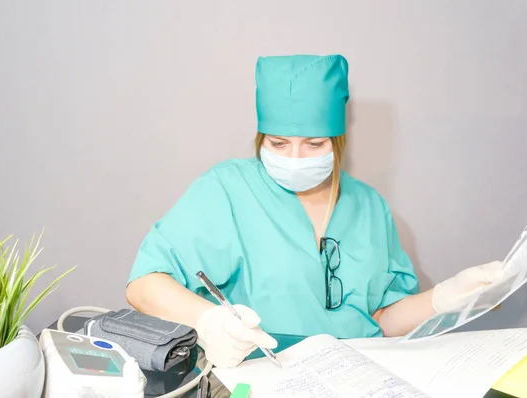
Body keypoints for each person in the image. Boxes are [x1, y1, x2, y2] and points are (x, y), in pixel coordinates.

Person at [125, 54, 504, 372]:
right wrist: (209, 321)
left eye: (313, 144)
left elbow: (383, 318)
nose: (295, 159)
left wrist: (446, 298)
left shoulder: (368, 206)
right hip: (263, 374)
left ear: (338, 140)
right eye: (278, 143)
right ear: (261, 137)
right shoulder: (226, 189)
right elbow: (144, 285)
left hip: (359, 375)